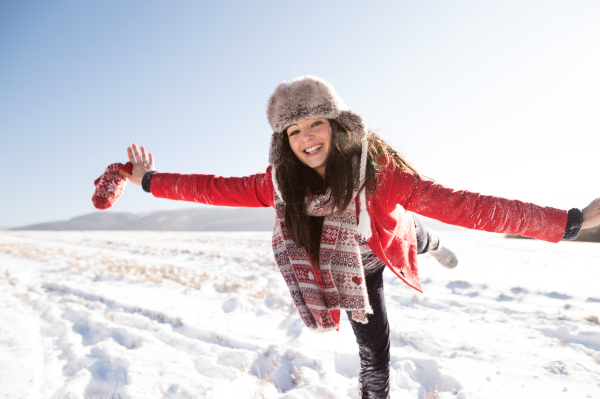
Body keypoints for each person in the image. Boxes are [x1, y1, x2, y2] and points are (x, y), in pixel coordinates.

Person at [120, 76, 600, 399]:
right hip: (356, 268)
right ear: (283, 141)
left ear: (335, 125)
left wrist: (568, 223)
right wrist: (147, 180)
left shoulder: (380, 174)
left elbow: (468, 206)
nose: (307, 136)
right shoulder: (279, 185)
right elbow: (210, 189)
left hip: (391, 236)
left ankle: (434, 246)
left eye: (315, 123)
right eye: (294, 130)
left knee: (420, 235)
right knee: (373, 344)